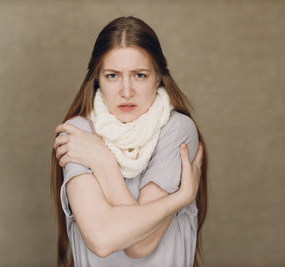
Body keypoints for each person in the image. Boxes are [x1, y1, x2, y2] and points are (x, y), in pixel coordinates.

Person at [50, 16, 208, 267]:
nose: (126, 91)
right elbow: (101, 240)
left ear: (159, 77)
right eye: (112, 75)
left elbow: (141, 245)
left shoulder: (176, 129)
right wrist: (180, 197)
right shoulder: (77, 134)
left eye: (140, 75)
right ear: (97, 79)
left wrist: (103, 162)